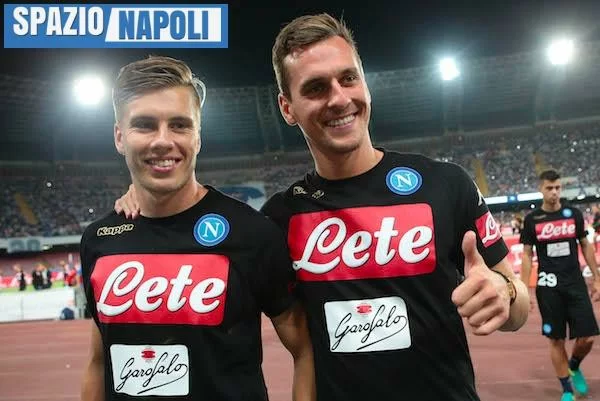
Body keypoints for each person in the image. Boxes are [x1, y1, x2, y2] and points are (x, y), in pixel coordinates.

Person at [115, 14, 529, 401]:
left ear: (364, 84)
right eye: (315, 88)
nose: (339, 98)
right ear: (287, 108)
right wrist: (142, 197)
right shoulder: (278, 220)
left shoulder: (446, 184)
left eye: (348, 78)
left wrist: (505, 291)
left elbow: (518, 306)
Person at [82, 55, 315, 401]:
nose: (162, 141)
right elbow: (98, 362)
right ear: (119, 137)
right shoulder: (99, 241)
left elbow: (305, 349)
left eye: (179, 125)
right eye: (144, 125)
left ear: (198, 137)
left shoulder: (252, 233)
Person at [520, 169, 600, 401]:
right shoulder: (532, 220)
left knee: (588, 337)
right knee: (556, 339)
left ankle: (573, 365)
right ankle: (566, 390)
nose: (554, 192)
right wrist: (524, 289)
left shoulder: (573, 214)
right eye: (549, 188)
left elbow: (585, 245)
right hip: (548, 286)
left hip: (575, 283)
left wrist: (597, 278)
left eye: (557, 188)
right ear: (541, 189)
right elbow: (527, 255)